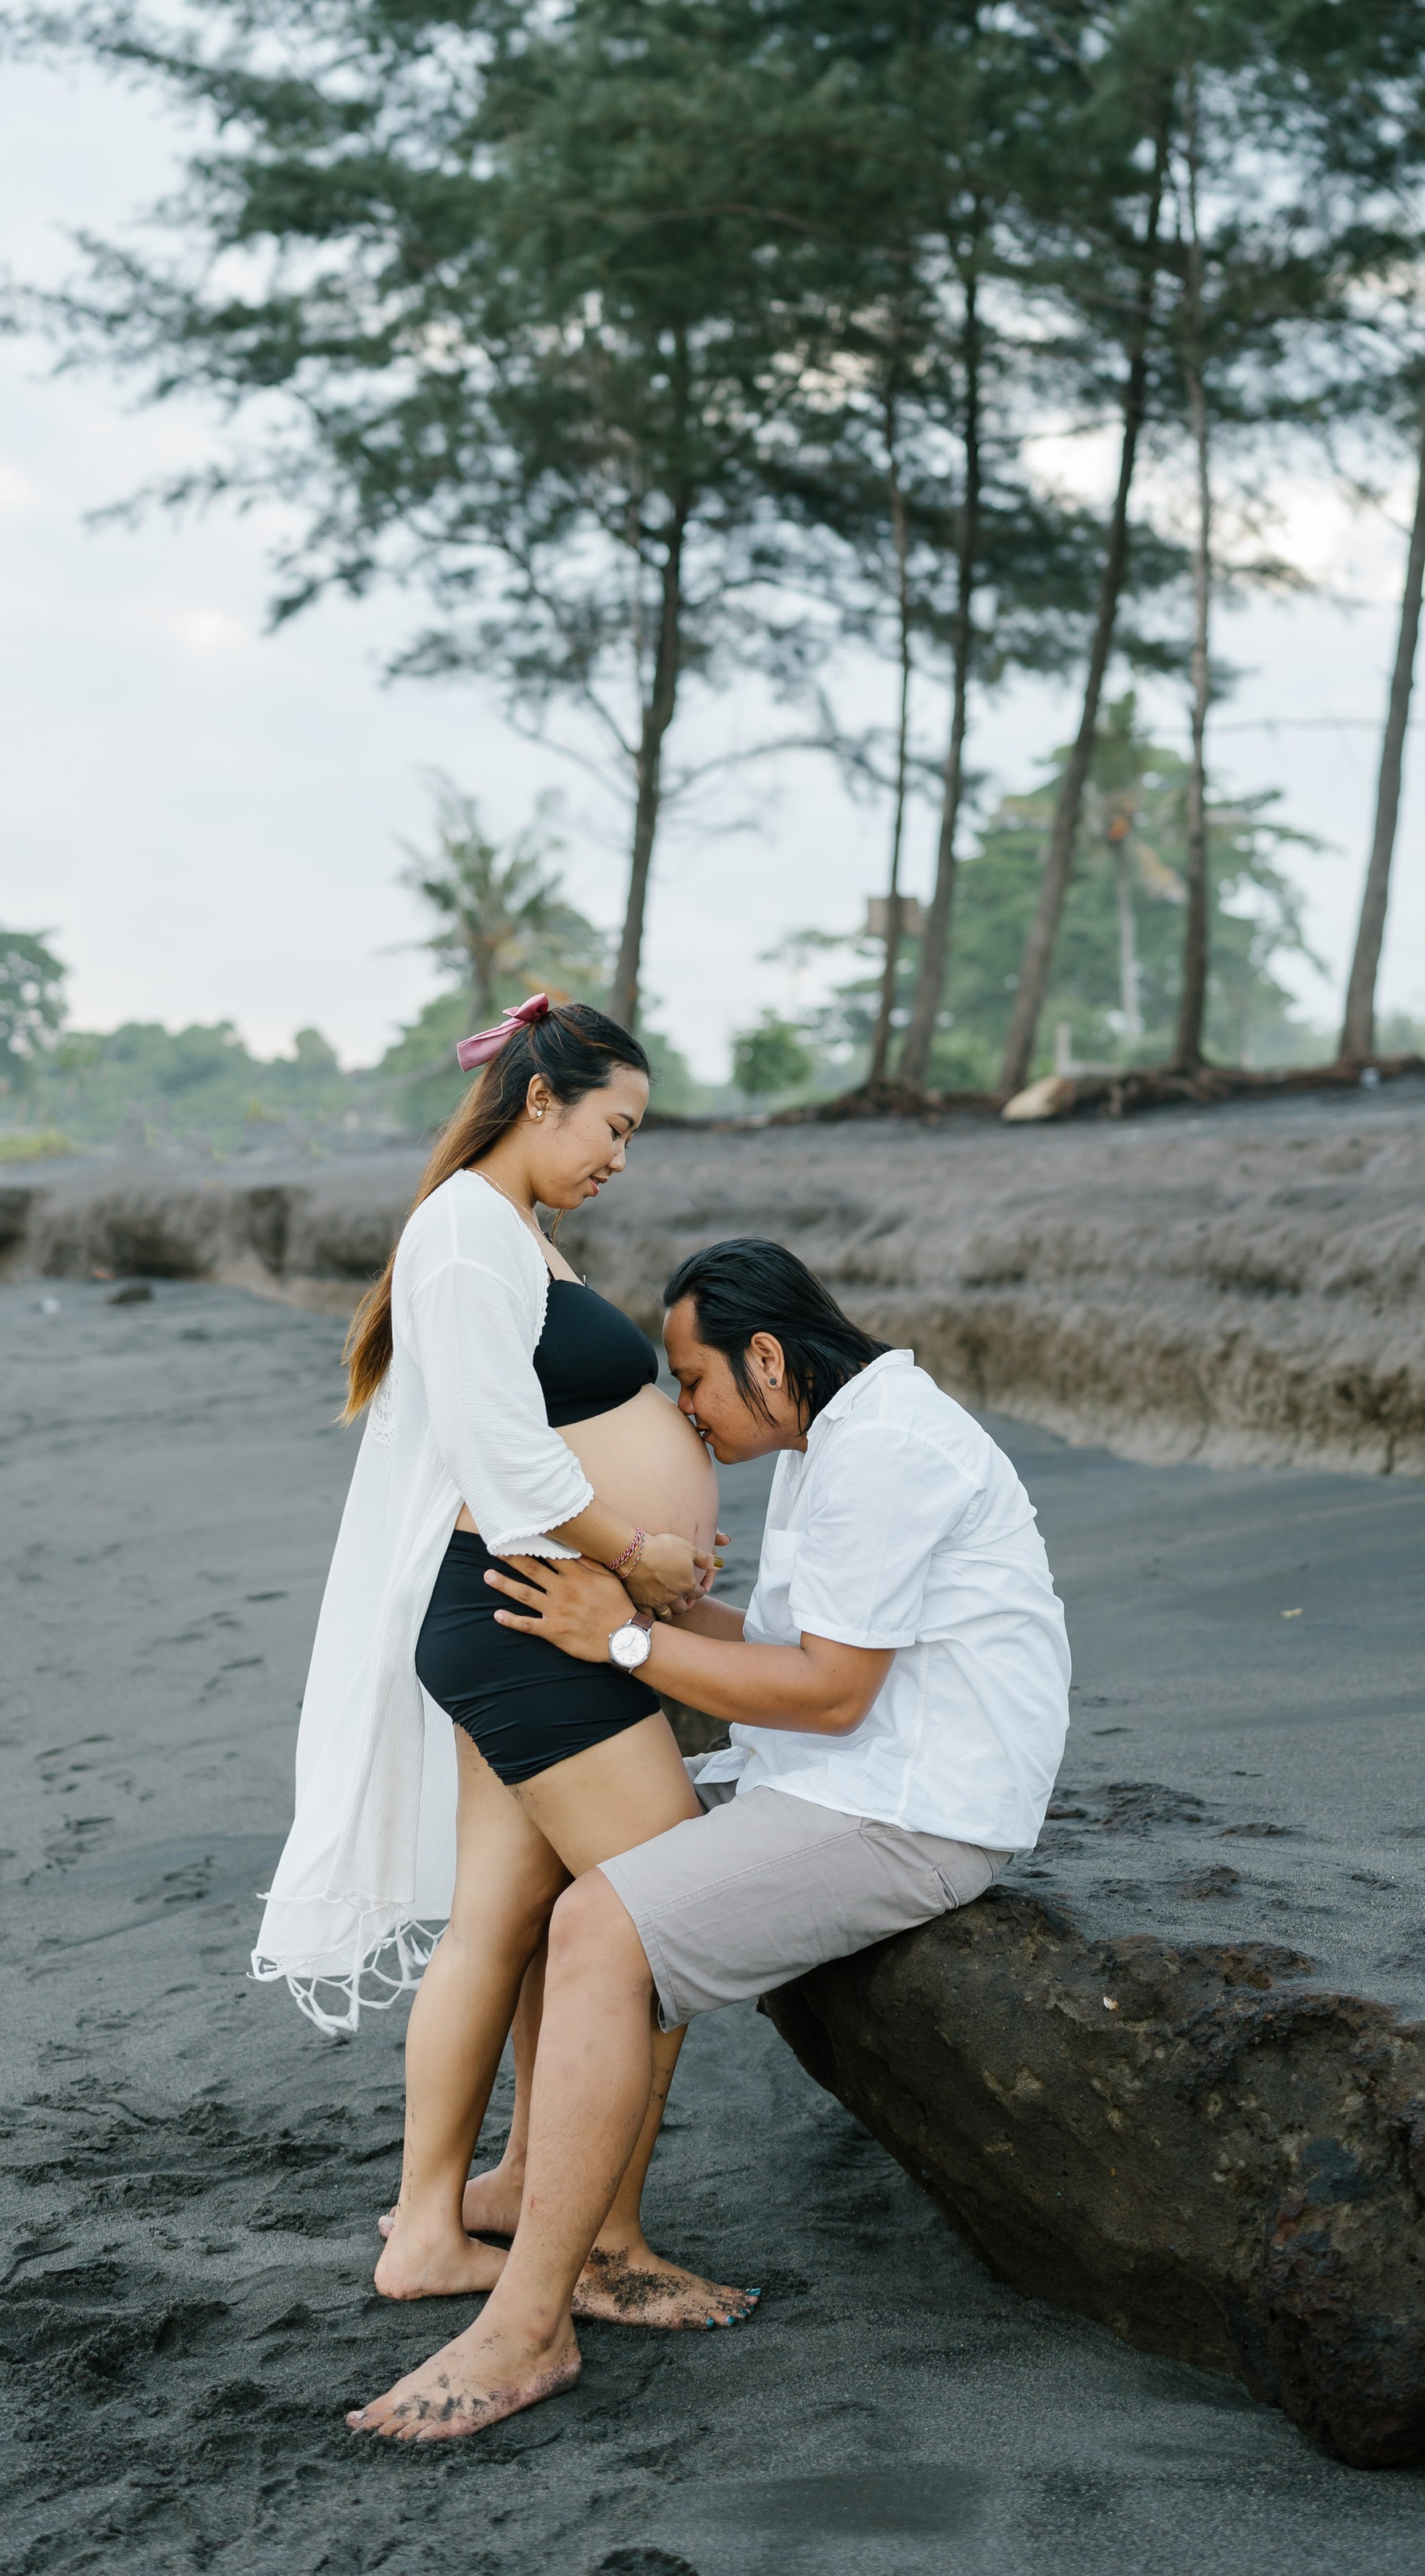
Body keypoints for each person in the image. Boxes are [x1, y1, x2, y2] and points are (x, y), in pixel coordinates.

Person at [346, 1236, 1073, 2442]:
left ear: (770, 1358)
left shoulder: (884, 1450)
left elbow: (833, 1690)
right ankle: (547, 2209)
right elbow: (803, 1645)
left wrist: (620, 1641)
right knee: (575, 1892)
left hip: (910, 1811)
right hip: (855, 1779)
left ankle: (530, 2324)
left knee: (600, 1920)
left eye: (693, 1380)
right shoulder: (838, 1436)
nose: (685, 1411)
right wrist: (647, 1604)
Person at [253, 993, 752, 2327]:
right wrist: (642, 1554)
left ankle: (463, 2209)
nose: (621, 1159)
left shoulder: (503, 1228)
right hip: (532, 1612)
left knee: (506, 1925)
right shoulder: (470, 1233)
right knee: (667, 1919)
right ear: (543, 1099)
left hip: (532, 1607)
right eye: (615, 1127)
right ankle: (605, 2246)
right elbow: (504, 1455)